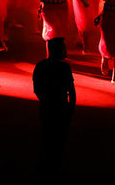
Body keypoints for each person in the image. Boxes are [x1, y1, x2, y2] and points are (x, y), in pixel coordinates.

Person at [32, 36, 75, 179]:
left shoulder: (40, 66)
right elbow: (71, 90)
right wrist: (71, 108)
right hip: (61, 106)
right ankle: (55, 170)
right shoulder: (64, 67)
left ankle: (44, 169)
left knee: (47, 136)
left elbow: (37, 88)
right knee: (59, 140)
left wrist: (45, 99)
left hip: (46, 105)